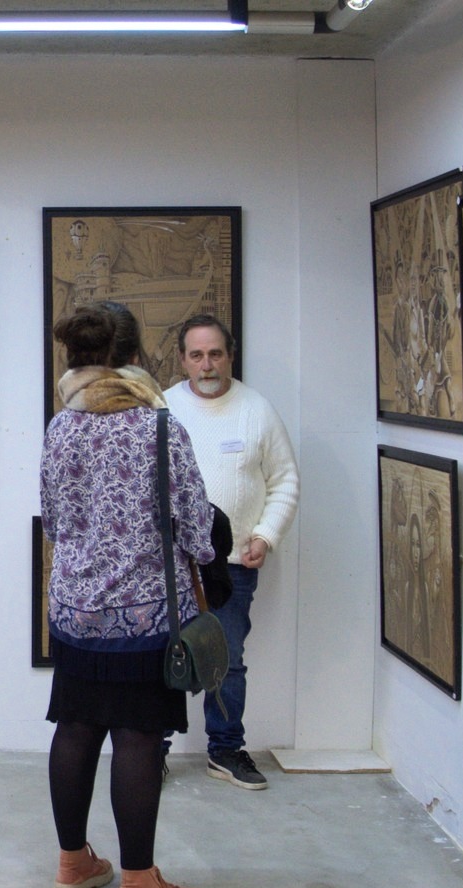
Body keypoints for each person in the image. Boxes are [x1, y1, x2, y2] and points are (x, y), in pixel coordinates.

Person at [40, 302, 214, 888]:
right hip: (144, 617)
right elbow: (196, 528)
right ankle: (139, 887)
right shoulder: (159, 428)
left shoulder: (61, 427)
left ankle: (73, 865)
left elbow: (54, 522)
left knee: (76, 728)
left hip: (75, 612)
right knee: (138, 736)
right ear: (135, 357)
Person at [161, 315, 299, 791]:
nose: (207, 365)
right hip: (170, 567)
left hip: (233, 565)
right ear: (183, 360)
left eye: (215, 354)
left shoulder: (257, 410)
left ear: (230, 356)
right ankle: (152, 749)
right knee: (161, 657)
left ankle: (224, 750)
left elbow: (285, 481)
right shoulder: (163, 410)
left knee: (227, 659)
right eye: (197, 355)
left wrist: (266, 535)